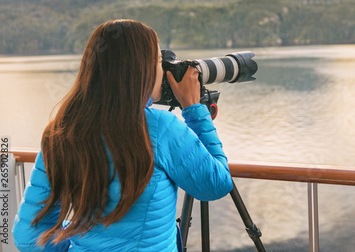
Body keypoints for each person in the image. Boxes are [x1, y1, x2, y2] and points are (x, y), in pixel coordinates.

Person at [12, 19, 233, 251]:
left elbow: (28, 235)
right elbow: (216, 185)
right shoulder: (161, 127)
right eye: (158, 61)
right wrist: (194, 110)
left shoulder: (61, 132)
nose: (164, 69)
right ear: (140, 69)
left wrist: (80, 241)